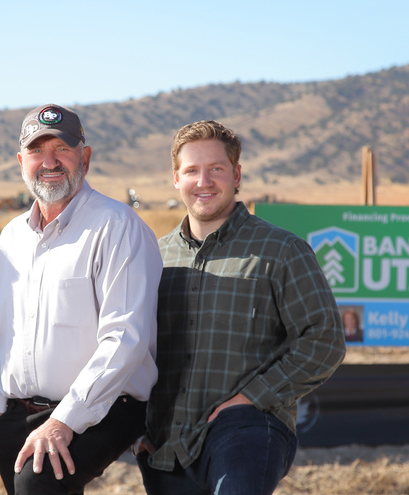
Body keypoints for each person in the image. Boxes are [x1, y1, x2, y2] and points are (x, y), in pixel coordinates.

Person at [136, 120, 346, 495]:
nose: (204, 181)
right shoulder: (153, 256)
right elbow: (132, 344)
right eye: (192, 171)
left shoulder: (282, 250)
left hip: (249, 428)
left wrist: (249, 399)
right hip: (166, 443)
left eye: (216, 169)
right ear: (176, 179)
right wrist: (136, 427)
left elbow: (324, 340)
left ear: (236, 175)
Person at [0, 104, 163, 495]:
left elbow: (125, 339)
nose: (48, 162)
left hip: (100, 408)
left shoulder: (117, 227)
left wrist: (64, 420)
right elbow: (1, 332)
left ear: (85, 156)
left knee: (39, 483)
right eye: (36, 151)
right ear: (21, 160)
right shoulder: (12, 237)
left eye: (61, 149)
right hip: (14, 413)